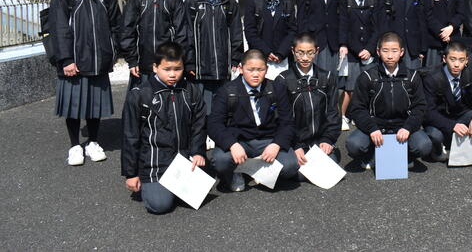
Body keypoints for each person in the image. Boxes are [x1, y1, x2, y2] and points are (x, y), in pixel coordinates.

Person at [51, 0, 121, 166]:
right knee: (73, 105)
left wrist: (112, 52)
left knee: (94, 105)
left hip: (99, 60)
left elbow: (117, 27)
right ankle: (75, 146)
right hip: (74, 61)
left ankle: (93, 142)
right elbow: (59, 29)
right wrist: (66, 60)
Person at [121, 42, 206, 214]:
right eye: (167, 69)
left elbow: (199, 125)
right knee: (160, 205)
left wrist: (198, 152)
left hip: (183, 159)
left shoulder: (191, 91)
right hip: (154, 162)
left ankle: (173, 188)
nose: (173, 74)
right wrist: (131, 174)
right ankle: (153, 187)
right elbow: (130, 135)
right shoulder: (139, 95)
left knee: (195, 198)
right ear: (155, 67)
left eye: (178, 69)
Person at [208, 49, 299, 191]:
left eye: (260, 70)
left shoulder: (276, 88)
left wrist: (276, 144)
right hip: (239, 141)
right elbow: (214, 124)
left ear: (266, 69)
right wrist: (232, 144)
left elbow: (287, 122)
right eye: (250, 70)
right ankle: (235, 173)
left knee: (290, 166)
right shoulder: (227, 91)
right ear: (241, 69)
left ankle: (260, 172)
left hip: (268, 139)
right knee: (221, 161)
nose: (255, 74)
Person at [346, 32, 432, 169]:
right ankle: (371, 154)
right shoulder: (367, 76)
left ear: (402, 52)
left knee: (424, 146)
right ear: (378, 52)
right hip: (376, 125)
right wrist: (372, 128)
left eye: (394, 51)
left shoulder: (412, 76)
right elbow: (357, 108)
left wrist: (408, 127)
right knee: (354, 144)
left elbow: (420, 107)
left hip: (402, 125)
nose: (390, 56)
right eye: (385, 51)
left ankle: (405, 155)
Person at [184, 0, 244, 112]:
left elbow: (236, 33)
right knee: (200, 110)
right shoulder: (192, 2)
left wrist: (236, 59)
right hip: (199, 69)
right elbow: (186, 34)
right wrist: (189, 62)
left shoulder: (229, 3)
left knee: (222, 110)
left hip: (223, 68)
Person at [120, 0, 189, 90]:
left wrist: (176, 60)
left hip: (168, 66)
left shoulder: (174, 0)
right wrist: (132, 60)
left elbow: (181, 33)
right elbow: (127, 31)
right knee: (142, 100)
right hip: (142, 65)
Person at [277, 33, 341, 168]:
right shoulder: (283, 80)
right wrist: (296, 145)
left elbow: (333, 112)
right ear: (293, 51)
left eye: (310, 53)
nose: (305, 58)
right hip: (294, 141)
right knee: (289, 168)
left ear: (317, 51)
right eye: (300, 53)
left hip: (319, 140)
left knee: (329, 166)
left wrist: (328, 139)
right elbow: (282, 118)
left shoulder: (327, 77)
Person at [423, 41, 472, 162]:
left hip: (460, 115)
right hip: (440, 119)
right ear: (444, 58)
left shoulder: (469, 72)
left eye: (461, 60)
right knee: (435, 135)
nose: (457, 64)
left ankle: (462, 145)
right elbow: (428, 113)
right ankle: (439, 148)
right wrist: (452, 126)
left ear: (466, 60)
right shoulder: (432, 78)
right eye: (452, 59)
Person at [341, 0, 378, 130]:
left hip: (369, 51)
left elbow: (377, 28)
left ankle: (360, 115)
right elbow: (344, 28)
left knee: (368, 86)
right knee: (350, 88)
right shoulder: (345, 1)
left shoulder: (373, 1)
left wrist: (369, 49)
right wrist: (358, 49)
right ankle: (342, 116)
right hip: (352, 51)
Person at [375, 0, 426, 70]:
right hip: (392, 47)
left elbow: (422, 23)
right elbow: (382, 23)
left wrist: (422, 49)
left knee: (412, 77)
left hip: (413, 48)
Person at [242, 0, 296, 73]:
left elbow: (292, 31)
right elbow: (250, 32)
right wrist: (266, 52)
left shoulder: (288, 4)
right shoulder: (253, 4)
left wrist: (281, 53)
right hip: (259, 57)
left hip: (283, 59)